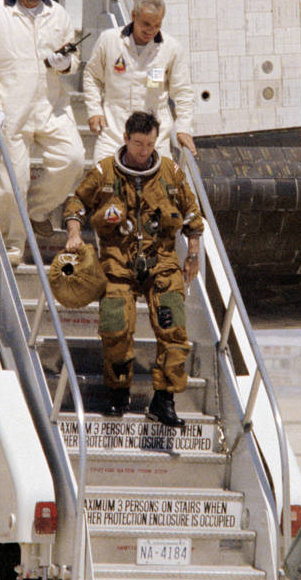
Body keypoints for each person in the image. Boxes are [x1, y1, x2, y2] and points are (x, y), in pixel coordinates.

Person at [62, 110, 203, 425]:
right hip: (117, 262)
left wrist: (192, 255)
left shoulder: (170, 172)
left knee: (173, 330)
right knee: (116, 327)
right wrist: (74, 234)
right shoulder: (104, 172)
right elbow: (76, 204)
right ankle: (118, 392)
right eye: (138, 143)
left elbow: (192, 215)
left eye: (150, 144)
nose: (143, 151)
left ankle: (164, 401)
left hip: (162, 262)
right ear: (125, 139)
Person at [0, 0, 85, 259]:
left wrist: (65, 64)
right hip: (10, 112)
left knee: (73, 158)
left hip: (51, 107)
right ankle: (13, 244)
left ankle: (36, 209)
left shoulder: (58, 14)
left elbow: (73, 59)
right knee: (9, 186)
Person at [82, 0, 196, 162]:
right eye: (146, 24)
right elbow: (92, 76)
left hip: (154, 139)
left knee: (157, 187)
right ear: (134, 15)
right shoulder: (110, 40)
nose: (151, 31)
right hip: (114, 132)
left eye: (157, 25)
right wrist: (94, 110)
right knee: (103, 182)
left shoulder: (171, 49)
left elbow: (183, 93)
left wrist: (183, 128)